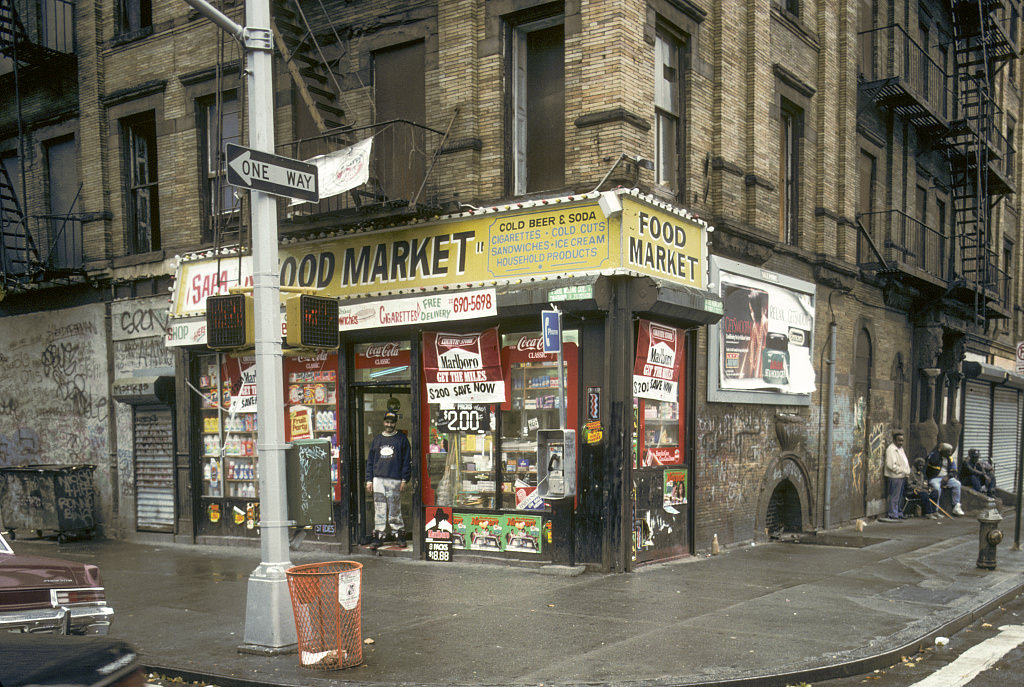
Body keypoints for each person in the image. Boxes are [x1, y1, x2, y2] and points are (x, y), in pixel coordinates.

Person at [365, 410, 411, 548]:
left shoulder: (401, 439)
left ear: (395, 423)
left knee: (394, 508)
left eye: (392, 422)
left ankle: (398, 535)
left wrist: (404, 480)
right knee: (379, 508)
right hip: (378, 479)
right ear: (384, 422)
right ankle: (378, 536)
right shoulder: (377, 439)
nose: (389, 425)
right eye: (387, 422)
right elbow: (371, 462)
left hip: (394, 479)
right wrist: (369, 480)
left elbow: (406, 461)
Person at [925, 442, 964, 516]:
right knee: (937, 488)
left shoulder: (950, 458)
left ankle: (956, 506)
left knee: (957, 484)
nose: (950, 453)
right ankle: (935, 510)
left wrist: (948, 476)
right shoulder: (934, 455)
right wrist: (938, 451)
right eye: (947, 451)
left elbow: (954, 471)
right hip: (935, 478)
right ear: (942, 451)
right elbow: (931, 462)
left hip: (946, 477)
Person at [883, 430, 911, 520]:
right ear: (894, 440)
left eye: (902, 440)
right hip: (895, 476)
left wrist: (906, 471)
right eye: (899, 440)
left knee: (900, 496)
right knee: (894, 496)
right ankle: (893, 513)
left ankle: (898, 512)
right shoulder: (891, 449)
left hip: (902, 476)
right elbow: (890, 465)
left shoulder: (900, 449)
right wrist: (901, 470)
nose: (901, 443)